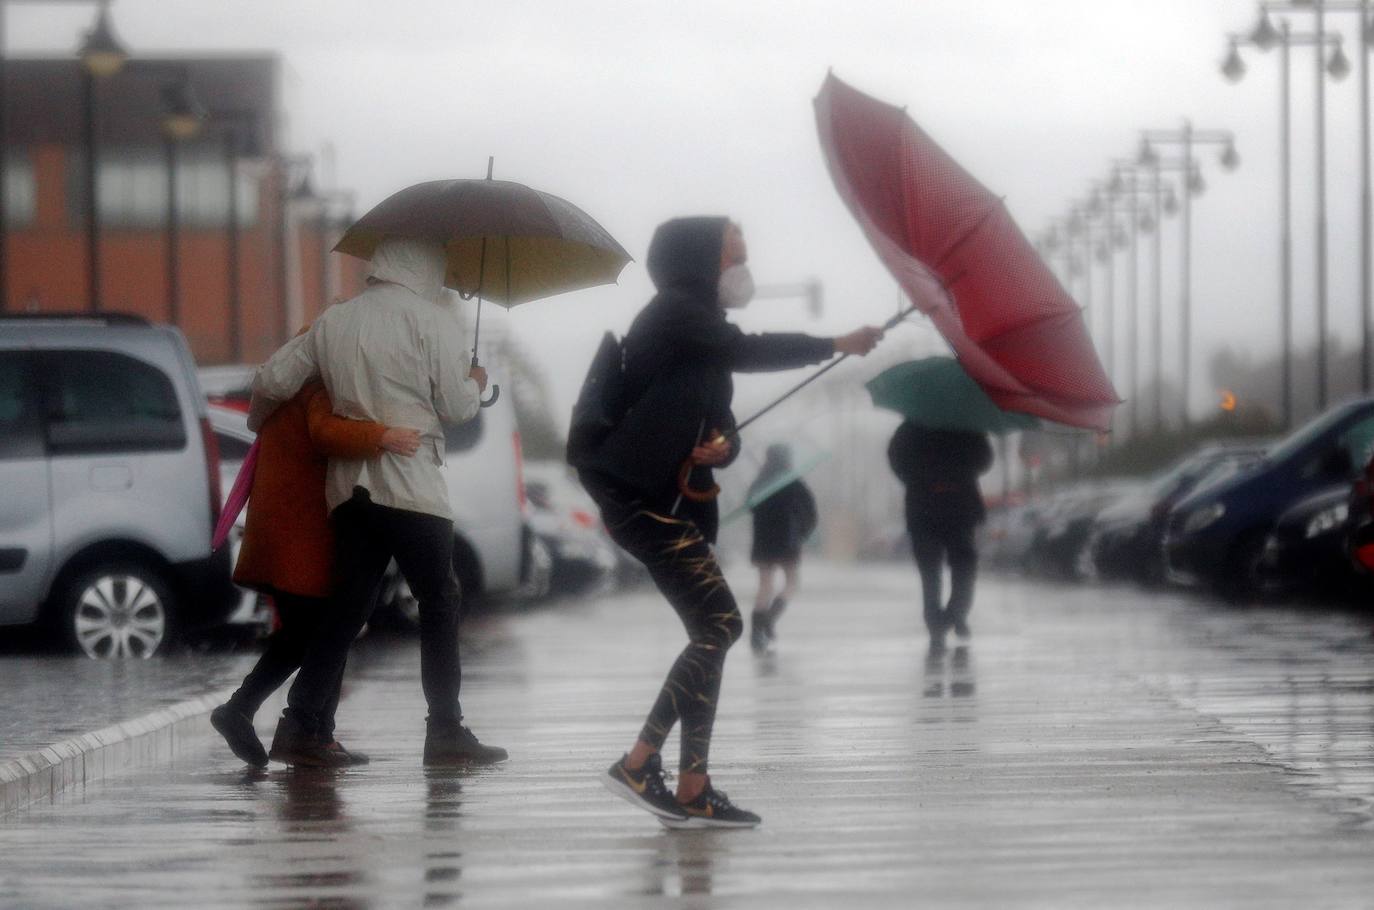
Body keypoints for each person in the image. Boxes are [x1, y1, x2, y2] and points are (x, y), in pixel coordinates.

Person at [570, 216, 883, 828]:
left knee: (709, 637)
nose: (742, 271)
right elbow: (749, 348)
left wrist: (722, 447)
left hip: (672, 502)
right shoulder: (675, 315)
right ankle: (639, 762)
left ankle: (693, 788)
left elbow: (721, 424)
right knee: (721, 623)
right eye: (732, 258)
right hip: (642, 501)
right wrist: (835, 342)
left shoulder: (701, 334)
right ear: (698, 263)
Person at [249, 236, 506, 767]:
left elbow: (273, 378)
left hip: (349, 488)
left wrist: (265, 427)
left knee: (346, 611)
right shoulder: (433, 321)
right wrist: (475, 382)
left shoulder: (335, 320)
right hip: (412, 484)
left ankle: (298, 725)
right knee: (439, 601)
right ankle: (445, 731)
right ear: (427, 267)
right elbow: (458, 408)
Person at [210, 380, 422, 768]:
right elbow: (326, 434)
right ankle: (266, 718)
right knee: (324, 630)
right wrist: (383, 436)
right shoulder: (318, 382)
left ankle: (310, 732)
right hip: (298, 532)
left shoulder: (297, 378)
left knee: (321, 630)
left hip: (294, 530)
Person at [887, 422, 994, 652]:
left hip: (925, 504)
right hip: (958, 504)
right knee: (962, 565)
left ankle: (939, 622)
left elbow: (896, 460)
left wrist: (916, 477)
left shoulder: (911, 426)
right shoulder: (967, 425)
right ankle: (954, 615)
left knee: (931, 571)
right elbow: (984, 461)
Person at [746, 443, 818, 652]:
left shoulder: (759, 482)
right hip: (788, 541)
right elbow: (810, 512)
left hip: (763, 542)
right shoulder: (794, 483)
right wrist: (803, 533)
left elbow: (750, 506)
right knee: (792, 582)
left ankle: (756, 632)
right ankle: (769, 619)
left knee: (765, 585)